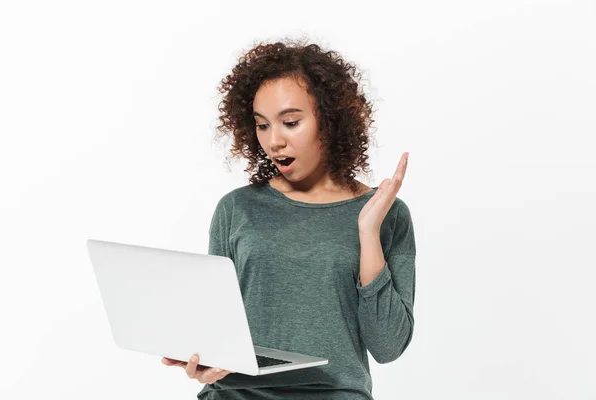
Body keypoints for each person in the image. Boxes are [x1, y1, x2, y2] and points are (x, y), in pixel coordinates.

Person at [161, 36, 416, 400]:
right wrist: (205, 360)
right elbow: (217, 325)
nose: (273, 141)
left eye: (290, 122)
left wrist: (368, 231)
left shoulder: (386, 214)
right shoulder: (236, 209)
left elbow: (388, 346)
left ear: (330, 121)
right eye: (262, 125)